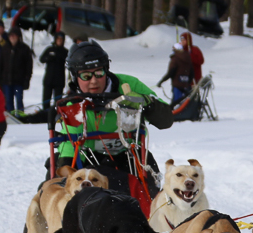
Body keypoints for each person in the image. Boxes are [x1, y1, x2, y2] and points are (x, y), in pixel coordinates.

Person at [55, 39, 173, 196]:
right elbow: (70, 146)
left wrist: (143, 102)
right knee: (56, 176)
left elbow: (166, 120)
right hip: (89, 158)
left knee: (148, 188)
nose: (94, 81)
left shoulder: (129, 84)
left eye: (99, 73)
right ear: (75, 76)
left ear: (106, 70)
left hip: (129, 154)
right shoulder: (72, 103)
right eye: (86, 75)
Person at [0, 27, 33, 112]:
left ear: (18, 37)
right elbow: (0, 63)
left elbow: (29, 66)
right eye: (10, 35)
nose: (12, 37)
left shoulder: (24, 49)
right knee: (8, 101)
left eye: (14, 35)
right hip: (6, 81)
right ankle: (10, 116)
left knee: (19, 101)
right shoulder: (5, 48)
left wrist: (27, 79)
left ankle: (20, 116)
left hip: (19, 81)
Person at [39, 31, 68, 108]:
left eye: (61, 39)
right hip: (49, 79)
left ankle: (56, 113)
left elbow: (69, 63)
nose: (59, 41)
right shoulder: (50, 49)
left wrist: (62, 59)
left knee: (58, 102)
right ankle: (45, 113)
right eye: (58, 39)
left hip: (59, 81)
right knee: (46, 100)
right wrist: (48, 58)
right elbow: (41, 59)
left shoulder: (65, 52)